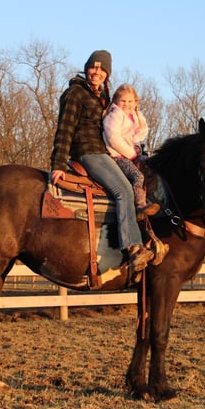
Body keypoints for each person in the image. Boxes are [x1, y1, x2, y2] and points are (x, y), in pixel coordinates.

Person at [50, 50, 155, 272]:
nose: (96, 72)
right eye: (93, 67)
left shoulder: (102, 97)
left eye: (101, 69)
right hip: (89, 152)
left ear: (107, 73)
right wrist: (58, 164)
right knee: (123, 190)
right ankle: (133, 248)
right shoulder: (76, 94)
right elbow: (65, 129)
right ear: (87, 68)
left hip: (105, 153)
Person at [102, 83, 160, 220]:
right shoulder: (115, 115)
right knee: (137, 176)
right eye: (123, 101)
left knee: (151, 172)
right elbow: (113, 138)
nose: (126, 104)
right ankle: (140, 205)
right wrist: (131, 153)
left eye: (130, 101)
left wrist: (138, 149)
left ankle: (152, 200)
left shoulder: (133, 117)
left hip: (131, 154)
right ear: (116, 101)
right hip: (118, 156)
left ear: (135, 103)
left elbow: (137, 136)